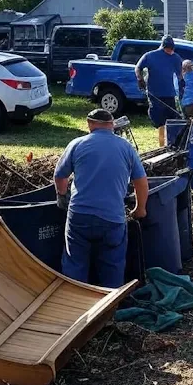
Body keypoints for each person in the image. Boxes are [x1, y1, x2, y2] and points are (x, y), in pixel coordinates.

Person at [54, 109, 148, 288]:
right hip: (112, 218)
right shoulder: (126, 147)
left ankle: (75, 304)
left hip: (80, 217)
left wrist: (61, 196)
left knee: (75, 263)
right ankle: (110, 305)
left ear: (89, 124)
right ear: (112, 125)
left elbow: (60, 176)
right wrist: (140, 209)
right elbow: (141, 182)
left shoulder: (77, 144)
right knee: (112, 265)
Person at [135, 36, 184, 147]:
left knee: (172, 120)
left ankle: (171, 144)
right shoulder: (150, 56)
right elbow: (138, 67)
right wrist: (140, 79)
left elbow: (179, 75)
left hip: (170, 94)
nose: (170, 51)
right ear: (163, 46)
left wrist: (181, 84)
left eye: (172, 49)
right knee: (159, 120)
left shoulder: (176, 58)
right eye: (168, 48)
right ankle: (162, 146)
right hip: (155, 93)